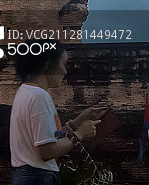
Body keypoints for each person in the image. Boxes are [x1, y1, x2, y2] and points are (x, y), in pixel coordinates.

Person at [9, 39, 106, 185]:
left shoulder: (24, 92)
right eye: (63, 64)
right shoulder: (39, 96)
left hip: (27, 175)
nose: (65, 71)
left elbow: (48, 138)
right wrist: (80, 134)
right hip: (39, 177)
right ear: (48, 65)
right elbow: (47, 152)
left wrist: (77, 122)